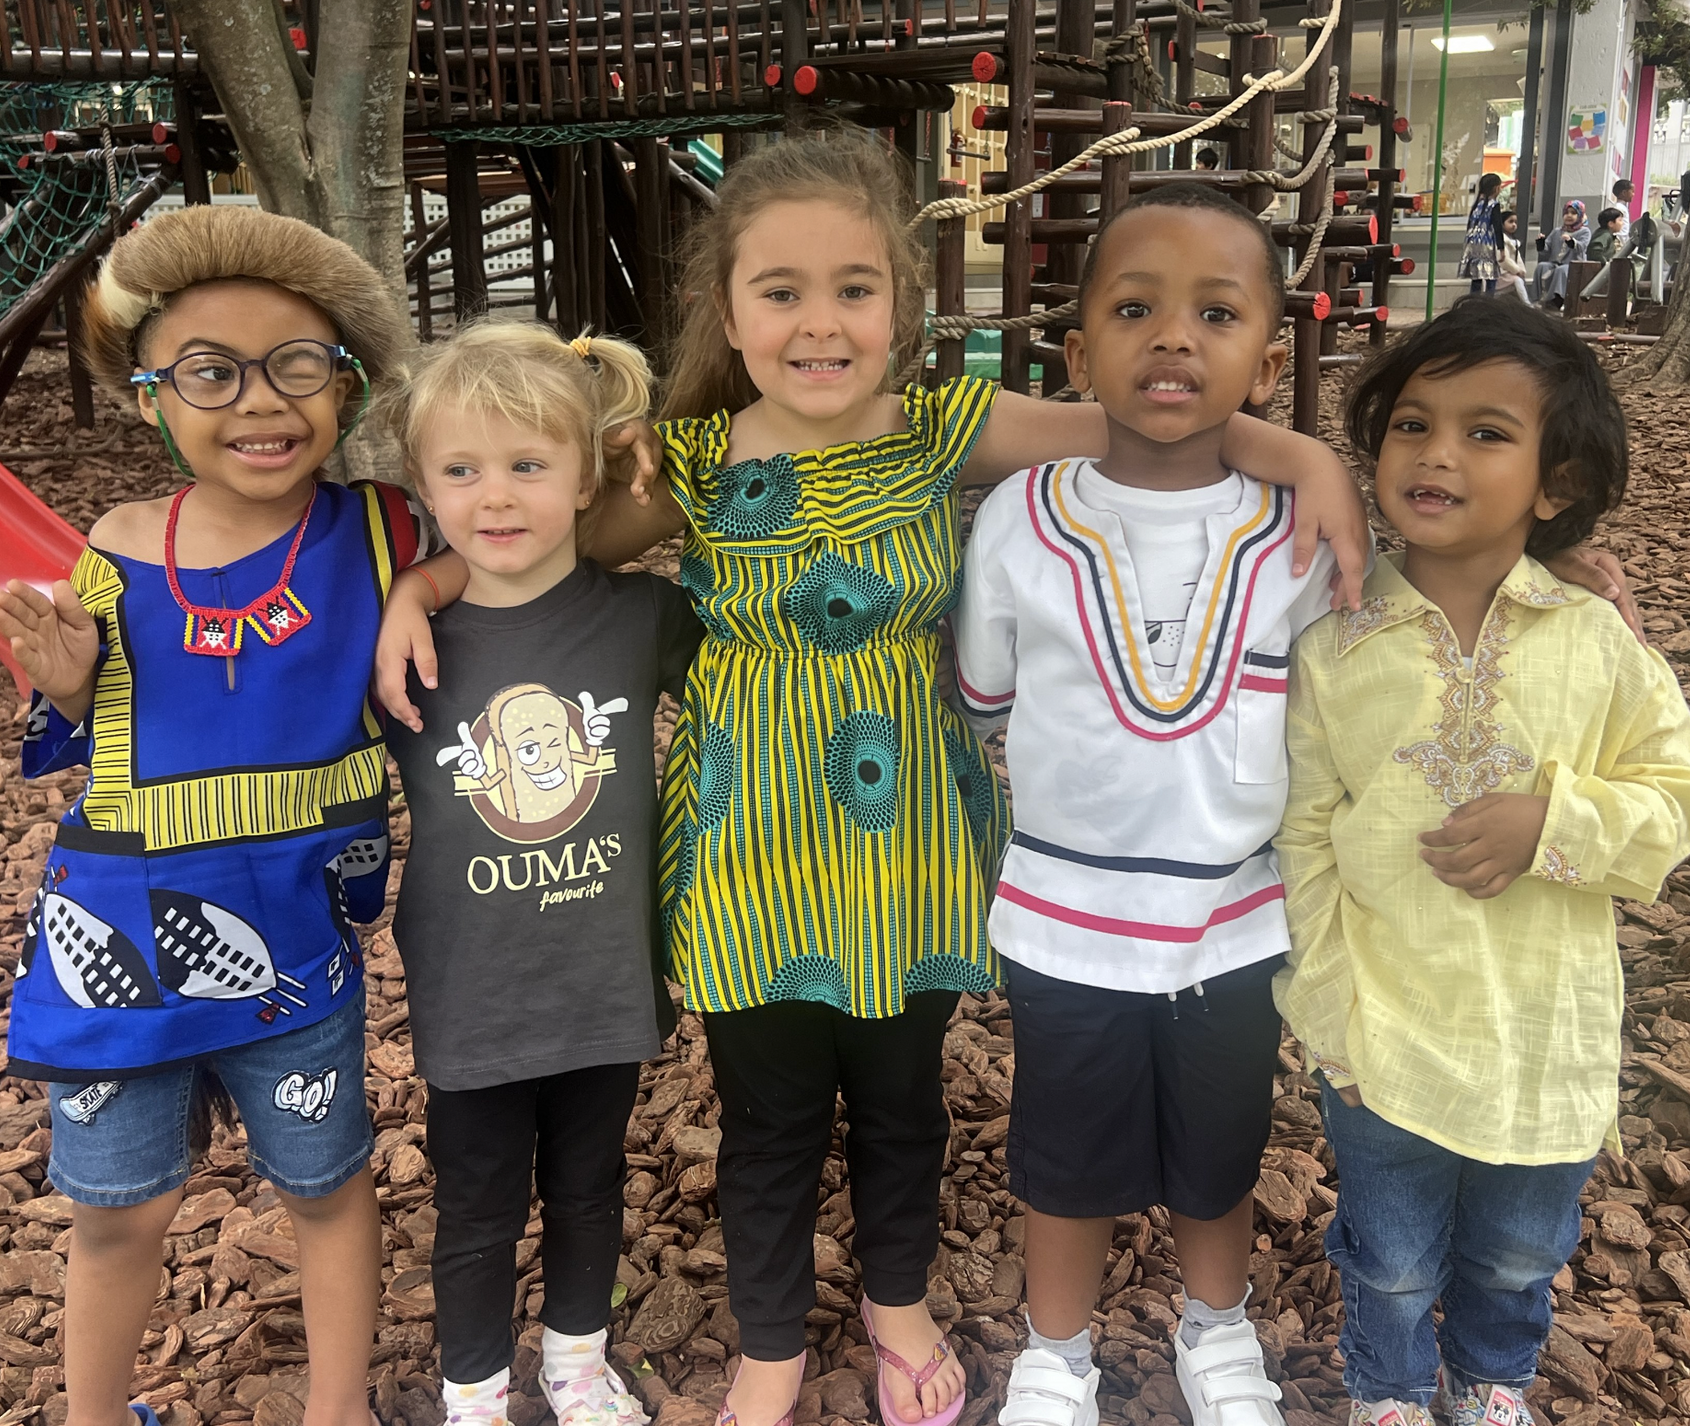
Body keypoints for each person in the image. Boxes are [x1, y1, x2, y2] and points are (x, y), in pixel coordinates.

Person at [375, 129, 1378, 1426]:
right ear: (725, 310)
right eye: (780, 291)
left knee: (902, 1100)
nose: (818, 322)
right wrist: (426, 579)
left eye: (854, 287)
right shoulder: (683, 465)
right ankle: (772, 1341)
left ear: (902, 303)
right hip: (749, 850)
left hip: (908, 838)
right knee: (772, 1112)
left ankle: (897, 1302)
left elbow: (1144, 423)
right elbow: (530, 543)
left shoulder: (947, 426)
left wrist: (1304, 458)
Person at [0, 207, 430, 1426]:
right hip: (116, 950)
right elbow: (82, 732)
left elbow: (525, 536)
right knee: (116, 1210)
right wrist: (72, 678)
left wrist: (430, 583)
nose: (259, 401)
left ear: (342, 386)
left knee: (328, 1183)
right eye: (209, 371)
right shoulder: (115, 553)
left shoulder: (385, 535)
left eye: (297, 363)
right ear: (147, 399)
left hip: (296, 946)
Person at [1273, 297, 1690, 1426]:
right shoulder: (1333, 641)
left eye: (1486, 432)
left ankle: (1491, 1386)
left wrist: (1554, 824)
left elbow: (1678, 801)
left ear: (1556, 482)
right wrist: (1330, 1016)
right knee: (1387, 1254)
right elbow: (1305, 837)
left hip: (1544, 1035)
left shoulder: (1595, 639)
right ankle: (1386, 1392)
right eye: (1412, 424)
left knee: (1521, 1256)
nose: (1436, 453)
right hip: (1387, 1032)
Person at [952, 184, 1337, 1426]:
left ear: (1267, 361)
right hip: (1066, 922)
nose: (1174, 337)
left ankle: (1216, 1337)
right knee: (1062, 1161)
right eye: (1134, 308)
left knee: (1220, 1153)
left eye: (1216, 313)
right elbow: (984, 688)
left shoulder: (1302, 533)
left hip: (1236, 923)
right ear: (1078, 356)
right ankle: (1055, 1353)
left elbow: (1363, 689)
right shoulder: (1018, 522)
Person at [378, 321, 703, 1426]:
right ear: (423, 482)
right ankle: (473, 1386)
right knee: (472, 1204)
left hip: (603, 983)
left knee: (589, 1188)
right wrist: (411, 593)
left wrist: (660, 466)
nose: (496, 496)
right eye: (461, 470)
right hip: (475, 993)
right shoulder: (409, 643)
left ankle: (575, 1360)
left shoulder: (645, 617)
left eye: (528, 465)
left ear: (588, 472)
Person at [1531, 201, 1588, 307]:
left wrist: (1571, 242)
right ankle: (1537, 298)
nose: (1569, 216)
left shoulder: (1584, 232)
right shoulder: (1557, 231)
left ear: (1580, 215)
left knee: (1561, 271)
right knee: (1542, 266)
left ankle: (1555, 300)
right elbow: (1546, 249)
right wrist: (1541, 243)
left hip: (1574, 265)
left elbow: (1582, 247)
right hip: (1555, 263)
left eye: (1573, 213)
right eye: (1566, 213)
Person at [1456, 173, 1503, 295]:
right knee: (1490, 276)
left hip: (1472, 244)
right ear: (1496, 188)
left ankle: (1474, 301)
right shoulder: (1494, 205)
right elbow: (1498, 227)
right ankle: (1488, 302)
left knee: (1476, 277)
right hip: (1487, 244)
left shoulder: (1477, 205)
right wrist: (1501, 248)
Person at [1497, 211, 1532, 305]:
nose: (1514, 225)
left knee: (1519, 281)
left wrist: (1522, 270)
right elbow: (1504, 260)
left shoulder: (1514, 241)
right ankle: (1527, 304)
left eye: (1515, 222)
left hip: (1510, 273)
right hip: (1501, 273)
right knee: (1517, 281)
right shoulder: (1501, 240)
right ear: (1502, 224)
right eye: (1510, 222)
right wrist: (1516, 270)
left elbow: (1518, 259)